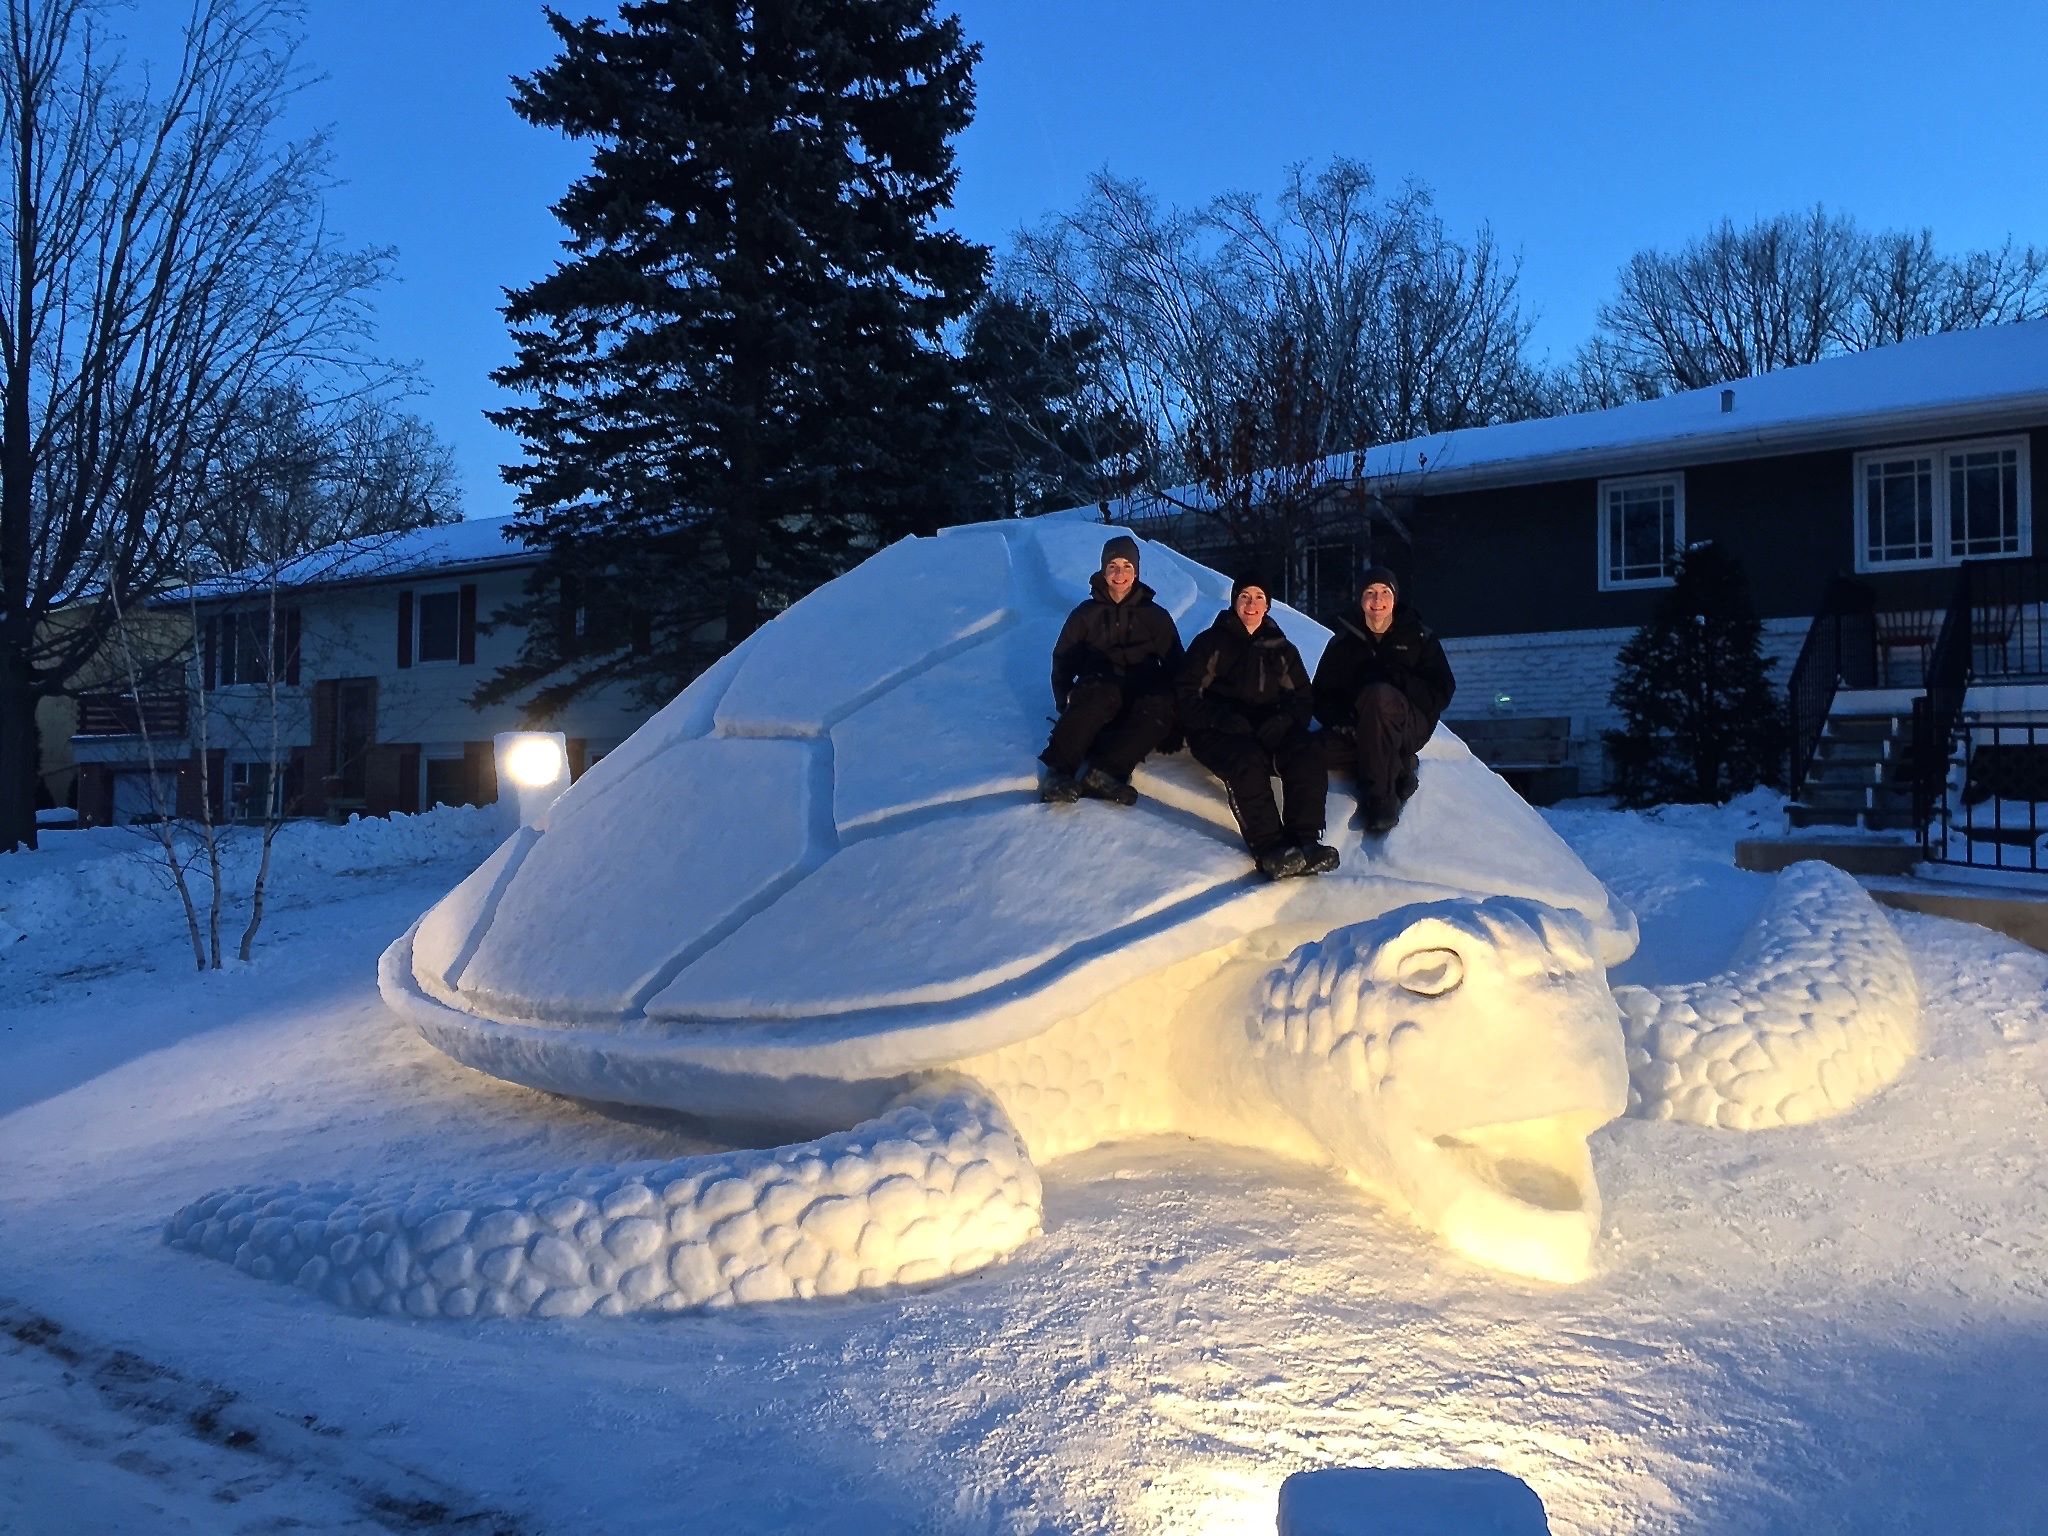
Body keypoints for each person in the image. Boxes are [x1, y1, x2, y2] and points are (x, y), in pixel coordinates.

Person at [1177, 576, 1337, 880]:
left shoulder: (1281, 649)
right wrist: (1219, 718)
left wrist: (1284, 720)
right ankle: (1270, 848)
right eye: (1245, 597)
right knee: (1246, 760)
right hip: (1218, 731)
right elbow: (1185, 694)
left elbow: (1302, 697)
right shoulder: (1212, 643)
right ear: (1235, 601)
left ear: (1268, 604)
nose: (1251, 605)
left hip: (1268, 730)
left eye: (1259, 597)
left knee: (1307, 751)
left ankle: (1305, 840)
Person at [1039, 535, 1184, 806]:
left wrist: (1176, 717)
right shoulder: (1086, 614)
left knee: (1160, 705)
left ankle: (1104, 774)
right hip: (1099, 690)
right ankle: (1058, 772)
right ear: (1104, 570)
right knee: (1096, 695)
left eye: (1127, 566)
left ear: (1136, 572)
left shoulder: (1155, 616)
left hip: (1141, 693)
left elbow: (1177, 665)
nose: (1120, 574)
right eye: (1113, 566)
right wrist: (1064, 700)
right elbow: (1063, 659)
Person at [1311, 565, 1456, 835]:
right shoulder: (1342, 642)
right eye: (1370, 592)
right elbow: (1320, 696)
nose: (1377, 601)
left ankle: (1380, 801)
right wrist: (1343, 719)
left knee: (1378, 695)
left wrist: (1398, 679)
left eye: (1384, 592)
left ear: (1394, 598)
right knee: (1307, 750)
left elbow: (1442, 691)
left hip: (1408, 724)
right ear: (1361, 598)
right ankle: (1400, 766)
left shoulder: (1419, 637)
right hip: (1355, 727)